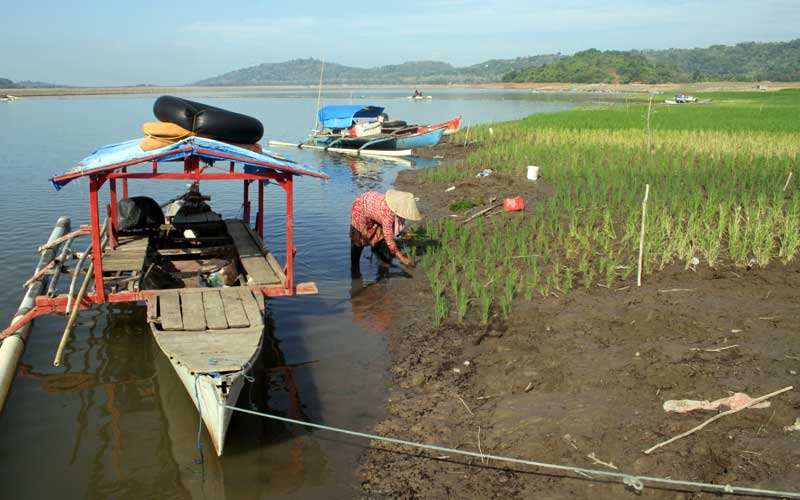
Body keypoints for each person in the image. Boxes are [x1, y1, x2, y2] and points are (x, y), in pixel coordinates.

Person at [350, 190, 421, 272]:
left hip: (371, 203)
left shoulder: (394, 204)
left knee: (380, 233)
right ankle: (355, 268)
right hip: (360, 207)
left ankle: (376, 250)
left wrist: (400, 232)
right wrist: (401, 257)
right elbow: (389, 239)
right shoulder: (388, 214)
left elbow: (394, 224)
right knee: (359, 240)